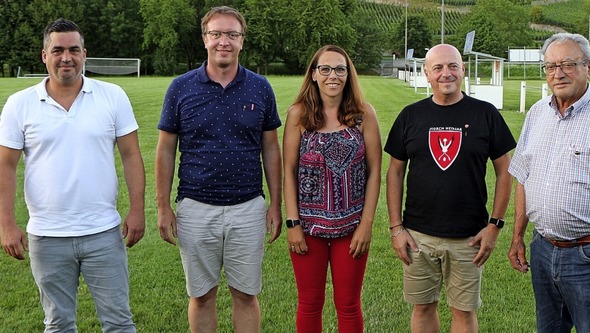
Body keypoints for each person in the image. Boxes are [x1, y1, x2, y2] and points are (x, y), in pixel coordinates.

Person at [0, 19, 145, 332]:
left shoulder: (112, 95)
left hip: (104, 232)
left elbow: (131, 155)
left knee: (119, 322)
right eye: (58, 50)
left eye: (73, 50)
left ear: (84, 54)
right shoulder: (19, 104)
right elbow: (6, 166)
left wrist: (136, 210)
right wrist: (7, 224)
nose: (66, 57)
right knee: (58, 323)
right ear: (44, 56)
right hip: (47, 237)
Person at [154, 6, 282, 332]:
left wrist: (276, 205)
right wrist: (163, 206)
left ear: (242, 41)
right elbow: (166, 150)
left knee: (246, 294)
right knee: (202, 296)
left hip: (248, 207)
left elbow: (271, 148)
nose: (223, 41)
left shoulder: (260, 87)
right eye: (216, 34)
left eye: (232, 35)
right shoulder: (180, 88)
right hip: (195, 207)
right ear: (204, 39)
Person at [507, 33, 590, 333]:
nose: (558, 73)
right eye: (551, 66)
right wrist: (518, 237)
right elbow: (522, 178)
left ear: (589, 67)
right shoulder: (537, 113)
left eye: (568, 64)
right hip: (542, 251)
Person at [385, 44, 516, 333]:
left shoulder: (485, 114)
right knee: (422, 307)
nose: (447, 73)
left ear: (463, 69)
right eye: (439, 68)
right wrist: (397, 228)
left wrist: (494, 225)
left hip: (468, 236)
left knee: (463, 312)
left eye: (453, 66)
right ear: (427, 74)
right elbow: (395, 172)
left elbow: (505, 170)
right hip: (418, 234)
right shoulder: (410, 115)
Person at [283, 45, 382, 333]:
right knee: (310, 303)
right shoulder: (298, 115)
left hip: (351, 227)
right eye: (324, 69)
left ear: (348, 74)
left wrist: (366, 225)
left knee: (349, 304)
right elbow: (288, 172)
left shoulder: (364, 114)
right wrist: (293, 223)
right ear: (313, 74)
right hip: (308, 226)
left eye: (340, 69)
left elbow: (375, 171)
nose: (332, 76)